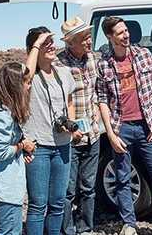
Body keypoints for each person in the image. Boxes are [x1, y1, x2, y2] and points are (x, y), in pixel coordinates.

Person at [96, 16, 152, 235]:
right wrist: (111, 134)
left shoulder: (143, 54)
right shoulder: (104, 64)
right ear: (110, 36)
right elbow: (102, 100)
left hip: (147, 126)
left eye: (126, 30)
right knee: (122, 178)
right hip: (121, 128)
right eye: (120, 32)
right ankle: (129, 224)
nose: (126, 34)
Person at [23, 27, 81, 235]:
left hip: (62, 145)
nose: (51, 46)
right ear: (33, 48)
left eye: (51, 41)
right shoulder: (30, 75)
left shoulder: (63, 73)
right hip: (38, 147)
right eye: (44, 43)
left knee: (58, 202)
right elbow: (25, 77)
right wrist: (37, 43)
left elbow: (70, 100)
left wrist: (72, 125)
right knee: (38, 204)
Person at [56, 17, 101, 235]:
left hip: (93, 133)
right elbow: (55, 102)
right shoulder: (58, 64)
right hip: (70, 136)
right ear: (70, 41)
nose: (88, 41)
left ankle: (85, 228)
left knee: (89, 188)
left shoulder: (94, 59)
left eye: (89, 36)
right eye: (84, 38)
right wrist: (69, 129)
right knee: (67, 190)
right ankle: (68, 230)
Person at [0, 61, 36, 234]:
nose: (29, 86)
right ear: (15, 87)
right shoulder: (2, 116)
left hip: (9, 183)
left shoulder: (5, 111)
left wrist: (19, 152)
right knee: (10, 230)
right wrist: (21, 146)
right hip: (6, 185)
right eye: (26, 82)